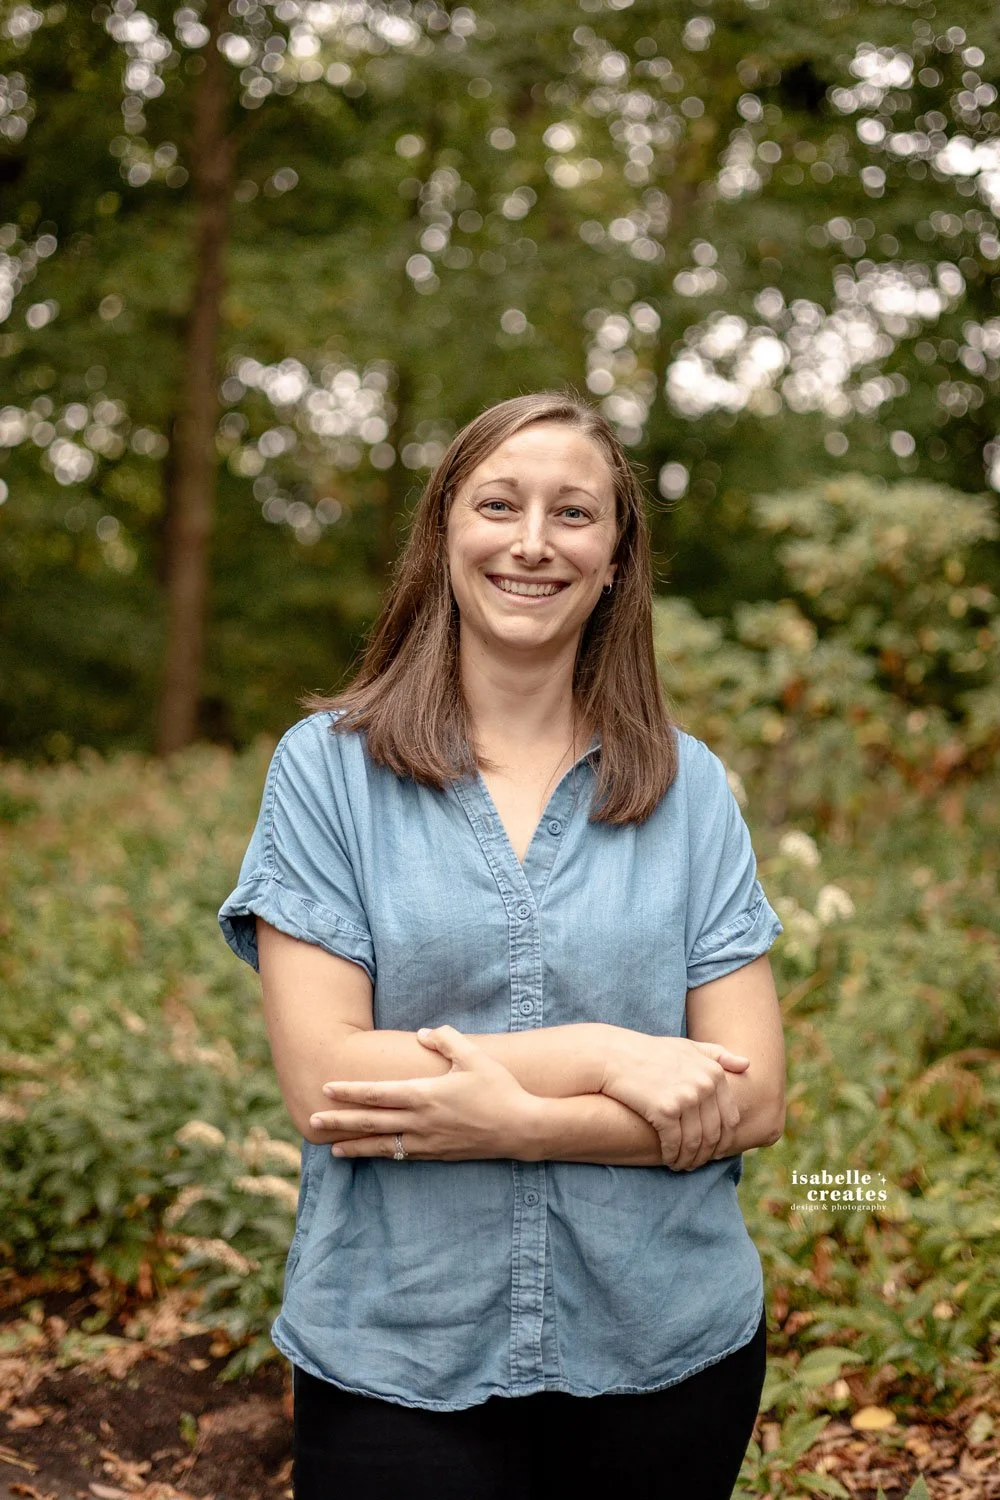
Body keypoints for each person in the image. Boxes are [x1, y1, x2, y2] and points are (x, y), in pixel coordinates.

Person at [218, 390, 786, 1500]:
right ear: (443, 533)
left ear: (616, 557)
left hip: (666, 1349)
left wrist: (519, 1124)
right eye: (498, 504)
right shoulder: (325, 771)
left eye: (574, 514)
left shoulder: (692, 787)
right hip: (397, 1354)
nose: (533, 542)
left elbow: (752, 1098)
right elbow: (327, 1075)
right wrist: (606, 1056)